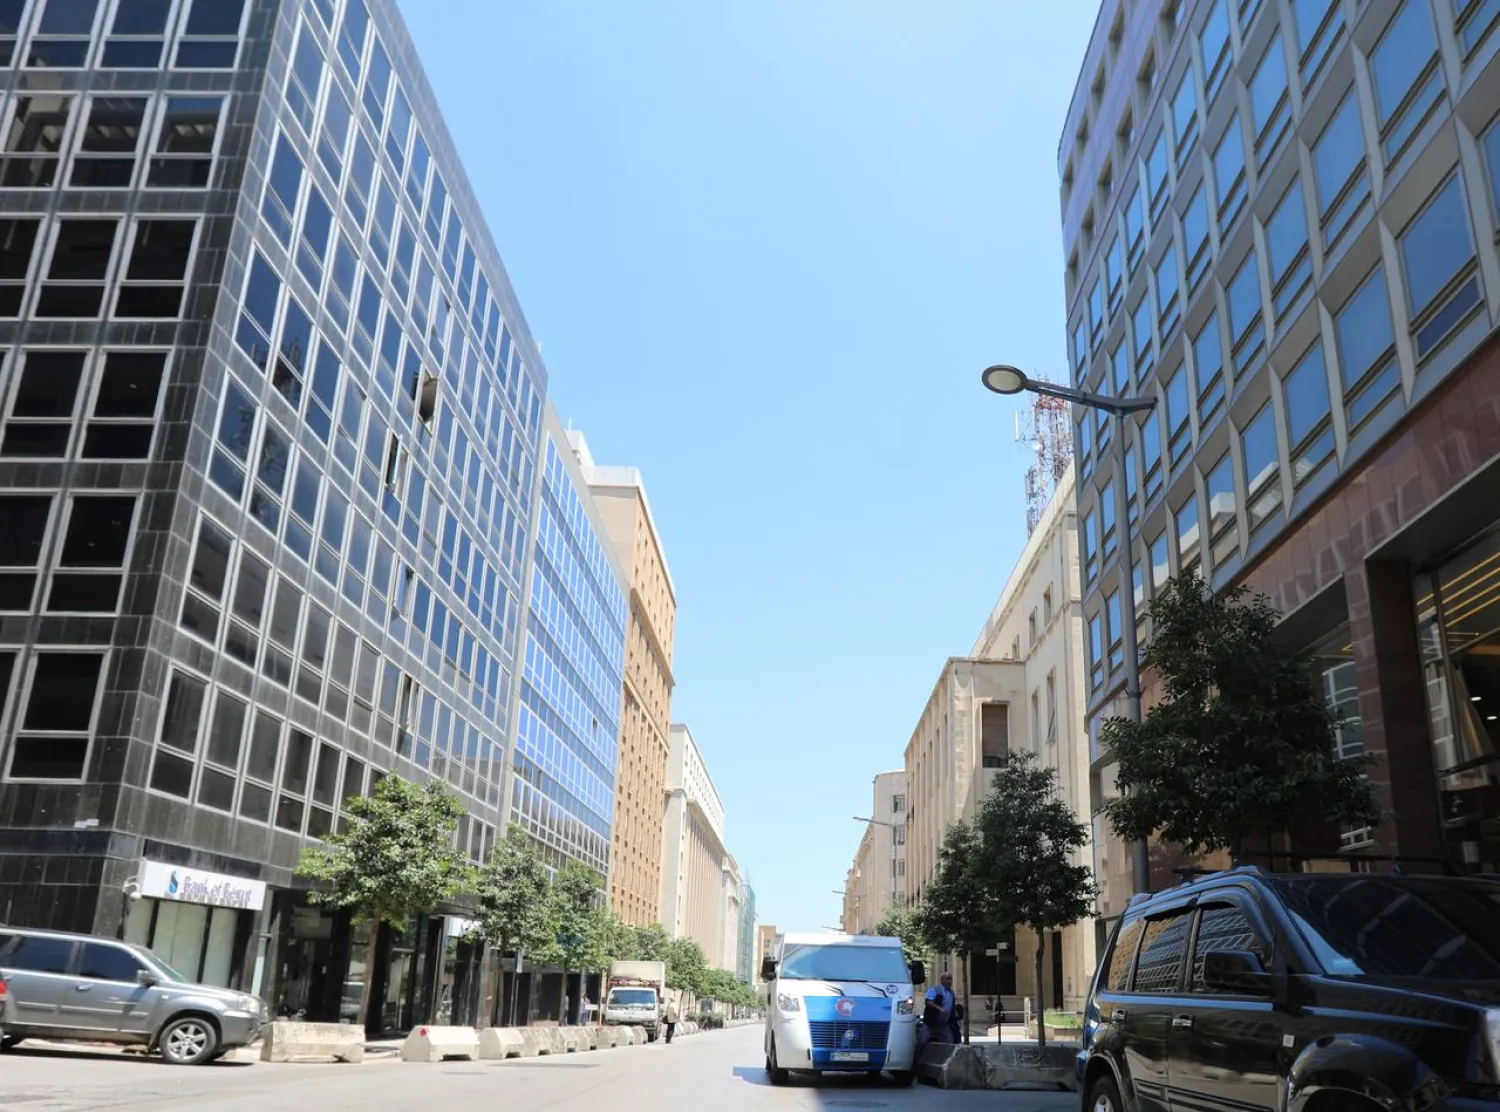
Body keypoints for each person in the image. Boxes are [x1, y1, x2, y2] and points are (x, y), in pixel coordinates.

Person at [923, 972, 955, 1043]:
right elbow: (927, 1002)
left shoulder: (951, 993)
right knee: (922, 1041)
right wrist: (939, 1009)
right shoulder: (935, 990)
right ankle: (917, 1054)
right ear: (942, 980)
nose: (950, 981)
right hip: (931, 1023)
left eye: (951, 979)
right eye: (947, 979)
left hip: (944, 1024)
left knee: (949, 1043)